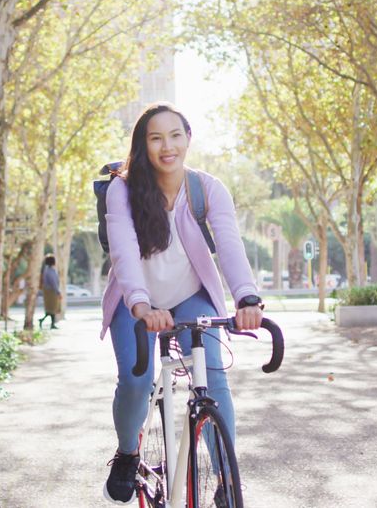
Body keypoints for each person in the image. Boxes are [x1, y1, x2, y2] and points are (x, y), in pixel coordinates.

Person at [100, 103, 264, 504]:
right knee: (137, 381)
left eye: (175, 135)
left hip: (191, 297)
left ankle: (227, 479)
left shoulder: (206, 188)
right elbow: (123, 251)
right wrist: (140, 306)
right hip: (134, 301)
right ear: (143, 145)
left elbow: (229, 245)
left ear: (188, 138)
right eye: (155, 138)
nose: (167, 146)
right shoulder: (123, 188)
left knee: (213, 379)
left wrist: (247, 297)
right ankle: (127, 453)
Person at [39, 255, 61, 329]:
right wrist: (58, 292)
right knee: (52, 308)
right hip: (51, 291)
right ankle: (51, 323)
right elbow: (53, 282)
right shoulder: (50, 271)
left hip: (48, 291)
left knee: (51, 309)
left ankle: (47, 322)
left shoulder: (47, 270)